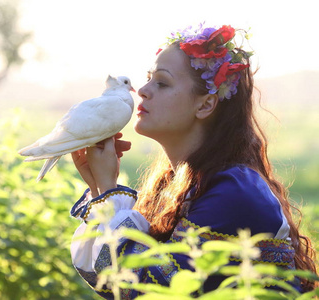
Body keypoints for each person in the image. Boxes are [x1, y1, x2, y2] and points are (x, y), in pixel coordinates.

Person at [69, 24, 317, 298]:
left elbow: (145, 291)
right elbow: (105, 281)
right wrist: (99, 189)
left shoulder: (235, 191)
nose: (143, 90)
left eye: (161, 82)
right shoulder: (178, 185)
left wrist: (108, 191)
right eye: (149, 78)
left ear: (205, 105)